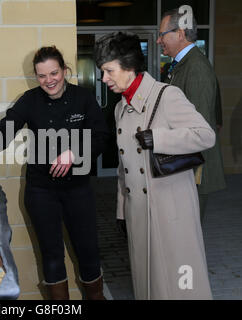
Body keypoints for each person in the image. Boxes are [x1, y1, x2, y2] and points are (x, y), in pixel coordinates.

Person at [0, 46, 110, 300]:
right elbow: (8, 125)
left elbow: (102, 136)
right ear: (35, 76)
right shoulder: (29, 100)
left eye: (54, 73)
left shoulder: (83, 98)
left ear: (65, 70)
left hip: (78, 190)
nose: (49, 81)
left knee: (88, 252)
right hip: (41, 190)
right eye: (42, 76)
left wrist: (74, 153)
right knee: (51, 255)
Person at [94, 31, 215, 299]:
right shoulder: (120, 108)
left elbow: (205, 135)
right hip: (138, 211)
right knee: (148, 282)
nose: (104, 79)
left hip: (171, 209)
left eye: (109, 71)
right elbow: (124, 168)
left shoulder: (167, 95)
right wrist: (122, 210)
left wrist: (159, 138)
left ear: (129, 66)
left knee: (182, 281)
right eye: (103, 71)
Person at [158, 7, 226, 224]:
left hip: (192, 170)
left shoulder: (195, 67)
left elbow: (200, 129)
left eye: (162, 35)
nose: (159, 41)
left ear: (179, 34)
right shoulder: (183, 64)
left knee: (187, 236)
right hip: (184, 167)